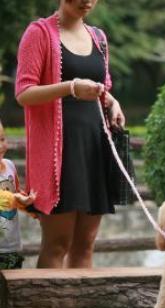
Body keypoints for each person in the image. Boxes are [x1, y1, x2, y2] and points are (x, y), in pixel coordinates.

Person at [15, 0, 125, 268]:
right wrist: (70, 87)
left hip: (94, 147)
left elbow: (101, 86)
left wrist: (113, 101)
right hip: (59, 154)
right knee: (57, 244)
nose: (87, 1)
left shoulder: (99, 37)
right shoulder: (39, 33)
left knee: (85, 244)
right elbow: (23, 93)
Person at [0, 120, 37, 269]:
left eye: (2, 139)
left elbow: (15, 195)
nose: (1, 145)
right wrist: (16, 198)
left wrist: (31, 208)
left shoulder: (9, 165)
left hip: (11, 246)